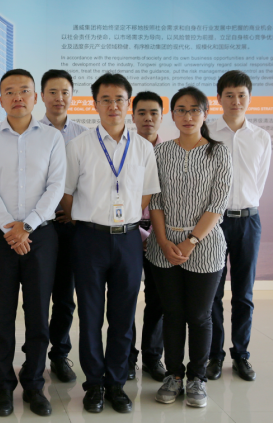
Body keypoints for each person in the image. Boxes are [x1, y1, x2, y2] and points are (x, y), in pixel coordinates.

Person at [61, 73, 160, 414]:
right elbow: (67, 195)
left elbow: (146, 195)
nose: (113, 105)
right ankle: (94, 384)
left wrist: (123, 218)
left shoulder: (143, 148)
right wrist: (90, 220)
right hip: (89, 238)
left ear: (127, 104)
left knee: (123, 315)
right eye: (106, 99)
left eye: (119, 99)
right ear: (95, 104)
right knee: (90, 315)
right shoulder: (79, 146)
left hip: (129, 240)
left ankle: (117, 383)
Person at [0, 69, 66, 417]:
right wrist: (11, 229)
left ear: (35, 98)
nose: (17, 97)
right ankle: (3, 386)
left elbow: (55, 186)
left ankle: (34, 384)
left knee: (38, 313)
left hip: (40, 235)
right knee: (1, 314)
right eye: (10, 91)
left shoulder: (52, 138)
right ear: (0, 100)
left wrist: (26, 226)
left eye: (24, 90)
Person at [146, 86, 232, 408]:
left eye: (194, 109)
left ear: (205, 114)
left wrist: (191, 241)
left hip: (205, 247)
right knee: (172, 314)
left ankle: (197, 378)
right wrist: (164, 241)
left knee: (199, 315)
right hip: (163, 246)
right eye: (181, 110)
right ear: (173, 115)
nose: (187, 116)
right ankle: (174, 375)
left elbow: (217, 203)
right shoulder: (161, 152)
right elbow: (155, 201)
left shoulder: (219, 152)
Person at [207, 71, 271, 382]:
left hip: (248, 220)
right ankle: (214, 356)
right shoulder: (207, 132)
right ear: (219, 98)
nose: (236, 101)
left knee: (244, 292)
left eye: (241, 95)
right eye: (229, 95)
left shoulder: (261, 137)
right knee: (213, 292)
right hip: (213, 222)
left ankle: (241, 354)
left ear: (249, 98)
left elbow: (259, 181)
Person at [38, 69, 87, 383]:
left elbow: (89, 181)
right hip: (39, 226)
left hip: (70, 226)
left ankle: (59, 355)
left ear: (72, 96)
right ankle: (34, 355)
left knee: (65, 297)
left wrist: (73, 212)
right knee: (38, 296)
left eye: (65, 92)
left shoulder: (83, 135)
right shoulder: (31, 131)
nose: (59, 98)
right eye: (53, 92)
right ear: (42, 96)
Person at [127, 91, 167, 382]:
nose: (148, 118)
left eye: (154, 113)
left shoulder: (171, 153)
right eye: (141, 112)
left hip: (160, 236)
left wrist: (156, 234)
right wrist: (140, 232)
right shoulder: (123, 149)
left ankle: (153, 357)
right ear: (133, 116)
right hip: (128, 234)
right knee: (125, 299)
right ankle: (127, 358)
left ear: (162, 117)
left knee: (158, 299)